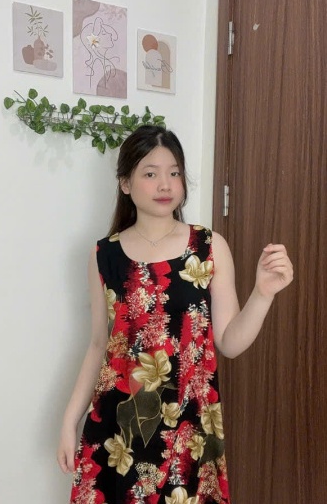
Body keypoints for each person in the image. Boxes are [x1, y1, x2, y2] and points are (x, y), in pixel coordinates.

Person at [57, 125, 293, 503]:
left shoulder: (208, 246)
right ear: (125, 183)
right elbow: (99, 345)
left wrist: (262, 293)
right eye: (150, 173)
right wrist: (70, 421)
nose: (165, 184)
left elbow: (230, 342)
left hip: (188, 431)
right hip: (118, 429)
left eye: (174, 172)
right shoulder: (104, 255)